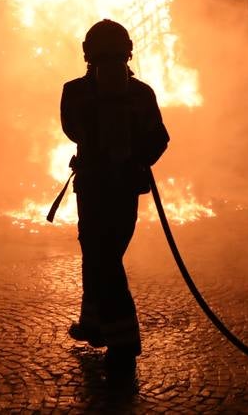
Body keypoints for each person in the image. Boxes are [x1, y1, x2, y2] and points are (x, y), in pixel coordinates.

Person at [61, 19, 170, 374]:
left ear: (87, 53)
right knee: (103, 256)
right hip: (123, 191)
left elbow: (71, 130)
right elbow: (160, 138)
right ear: (128, 52)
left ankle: (123, 343)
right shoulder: (141, 94)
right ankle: (94, 323)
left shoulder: (74, 91)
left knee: (101, 258)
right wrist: (137, 159)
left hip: (93, 190)